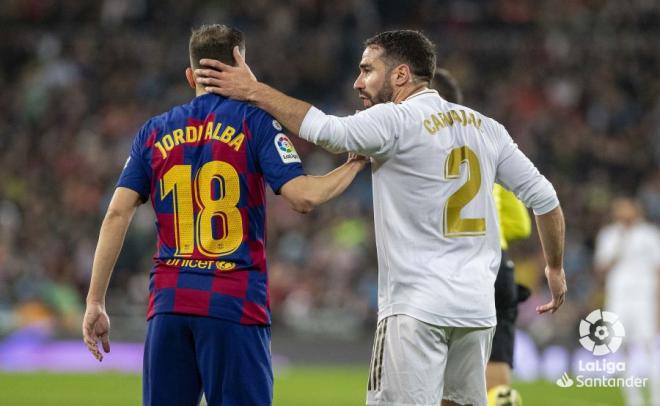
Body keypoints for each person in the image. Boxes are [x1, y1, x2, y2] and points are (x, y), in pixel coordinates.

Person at [196, 30, 567, 406]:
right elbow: (545, 198)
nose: (358, 82)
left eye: (367, 70)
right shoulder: (487, 128)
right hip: (476, 311)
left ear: (400, 75)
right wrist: (554, 267)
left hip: (416, 310)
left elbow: (326, 131)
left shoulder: (395, 120)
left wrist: (254, 90)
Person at [82, 24, 366, 406]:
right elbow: (303, 198)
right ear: (240, 64)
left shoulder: (153, 131)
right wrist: (355, 163)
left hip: (169, 303)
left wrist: (95, 301)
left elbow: (117, 212)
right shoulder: (257, 123)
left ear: (190, 75)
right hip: (232, 304)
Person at [433, 69, 532, 406]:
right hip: (499, 263)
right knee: (498, 364)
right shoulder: (489, 142)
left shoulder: (425, 146)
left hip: (454, 263)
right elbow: (522, 225)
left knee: (447, 375)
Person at [594, 197, 660, 406]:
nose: (622, 213)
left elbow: (657, 270)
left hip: (644, 297)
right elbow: (601, 269)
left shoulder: (650, 235)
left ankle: (657, 396)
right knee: (621, 347)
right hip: (618, 298)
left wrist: (657, 303)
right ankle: (634, 399)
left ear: (636, 210)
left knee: (650, 346)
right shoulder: (609, 235)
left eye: (626, 209)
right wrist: (621, 243)